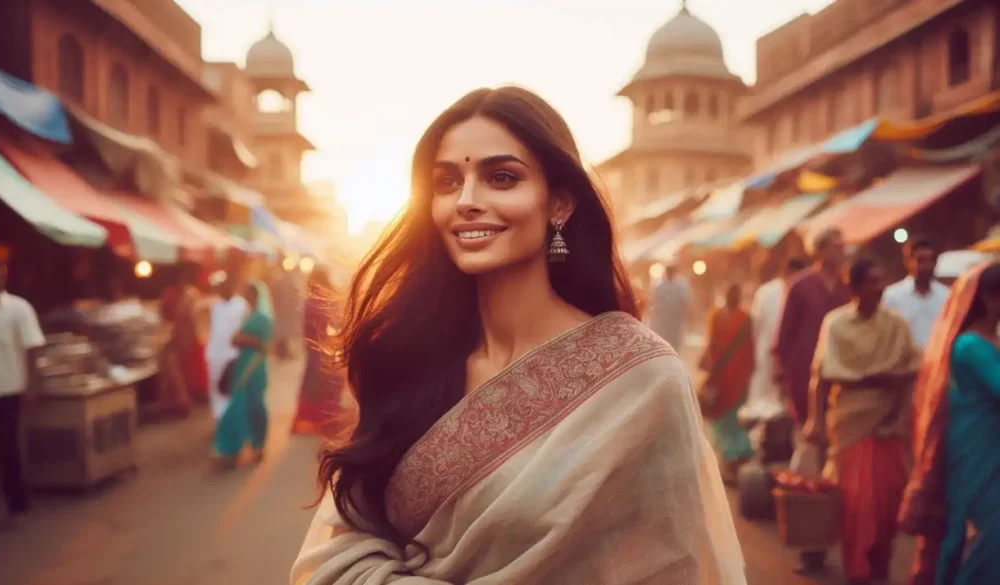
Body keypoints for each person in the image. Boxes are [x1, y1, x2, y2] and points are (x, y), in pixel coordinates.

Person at [290, 86, 745, 585]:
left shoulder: (640, 382)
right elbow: (343, 540)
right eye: (447, 182)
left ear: (560, 203)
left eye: (501, 177)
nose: (466, 201)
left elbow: (663, 567)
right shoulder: (410, 358)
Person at [805, 257, 921, 585]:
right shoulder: (836, 323)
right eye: (872, 281)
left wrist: (897, 409)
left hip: (889, 424)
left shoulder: (896, 323)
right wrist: (814, 420)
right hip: (850, 422)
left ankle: (879, 566)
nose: (880, 287)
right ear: (855, 288)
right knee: (857, 503)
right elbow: (822, 375)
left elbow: (912, 369)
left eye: (881, 280)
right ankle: (857, 571)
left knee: (888, 503)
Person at [898, 262, 1000, 585]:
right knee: (975, 532)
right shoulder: (970, 346)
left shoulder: (989, 340)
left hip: (986, 444)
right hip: (973, 449)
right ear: (990, 299)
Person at [770, 227, 851, 575]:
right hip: (805, 383)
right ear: (820, 251)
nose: (840, 251)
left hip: (842, 385)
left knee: (840, 461)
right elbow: (783, 338)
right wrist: (781, 373)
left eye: (842, 246)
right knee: (810, 460)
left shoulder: (849, 288)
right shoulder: (801, 285)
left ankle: (839, 538)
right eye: (835, 246)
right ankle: (810, 546)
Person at [0, 260, 45, 521]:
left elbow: (33, 347)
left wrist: (32, 385)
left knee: (8, 449)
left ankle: (16, 501)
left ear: (2, 280)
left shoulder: (19, 309)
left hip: (7, 388)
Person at [212, 281, 273, 467]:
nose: (245, 297)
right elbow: (235, 338)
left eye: (248, 294)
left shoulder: (263, 317)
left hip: (254, 367)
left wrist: (243, 339)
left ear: (255, 295)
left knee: (256, 406)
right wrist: (240, 339)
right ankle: (230, 449)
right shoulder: (249, 315)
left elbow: (264, 344)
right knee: (237, 406)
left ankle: (258, 445)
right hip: (243, 365)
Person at [699, 283, 755, 483]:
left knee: (728, 420)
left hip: (734, 379)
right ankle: (732, 459)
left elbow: (748, 349)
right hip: (726, 379)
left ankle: (732, 458)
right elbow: (711, 345)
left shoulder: (743, 319)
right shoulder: (740, 318)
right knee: (725, 420)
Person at [741, 256, 807, 423]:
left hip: (792, 358)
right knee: (766, 405)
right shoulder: (767, 292)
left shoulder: (804, 291)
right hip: (768, 355)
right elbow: (756, 325)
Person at [291, 268, 347, 437]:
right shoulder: (319, 301)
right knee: (323, 383)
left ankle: (312, 421)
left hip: (315, 348)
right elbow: (331, 324)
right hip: (322, 348)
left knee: (314, 382)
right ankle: (321, 422)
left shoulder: (310, 300)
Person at [882, 238, 949, 349]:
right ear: (908, 262)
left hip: (938, 361)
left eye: (930, 260)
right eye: (921, 260)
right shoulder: (892, 296)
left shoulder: (946, 295)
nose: (926, 266)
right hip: (907, 363)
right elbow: (887, 335)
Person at [159, 265, 208, 414]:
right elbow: (165, 315)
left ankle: (184, 402)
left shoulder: (192, 294)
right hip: (177, 336)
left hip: (191, 337)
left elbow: (197, 317)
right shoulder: (169, 294)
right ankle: (180, 402)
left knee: (183, 372)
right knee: (173, 370)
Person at [206, 273, 249, 421]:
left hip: (233, 354)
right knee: (216, 388)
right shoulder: (214, 305)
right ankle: (220, 419)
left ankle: (231, 418)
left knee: (231, 388)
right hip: (215, 354)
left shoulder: (241, 304)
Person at [649, 263, 689, 352]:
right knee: (673, 344)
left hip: (669, 321)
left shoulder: (659, 287)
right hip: (671, 321)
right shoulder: (680, 287)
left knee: (667, 343)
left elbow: (654, 304)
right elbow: (685, 304)